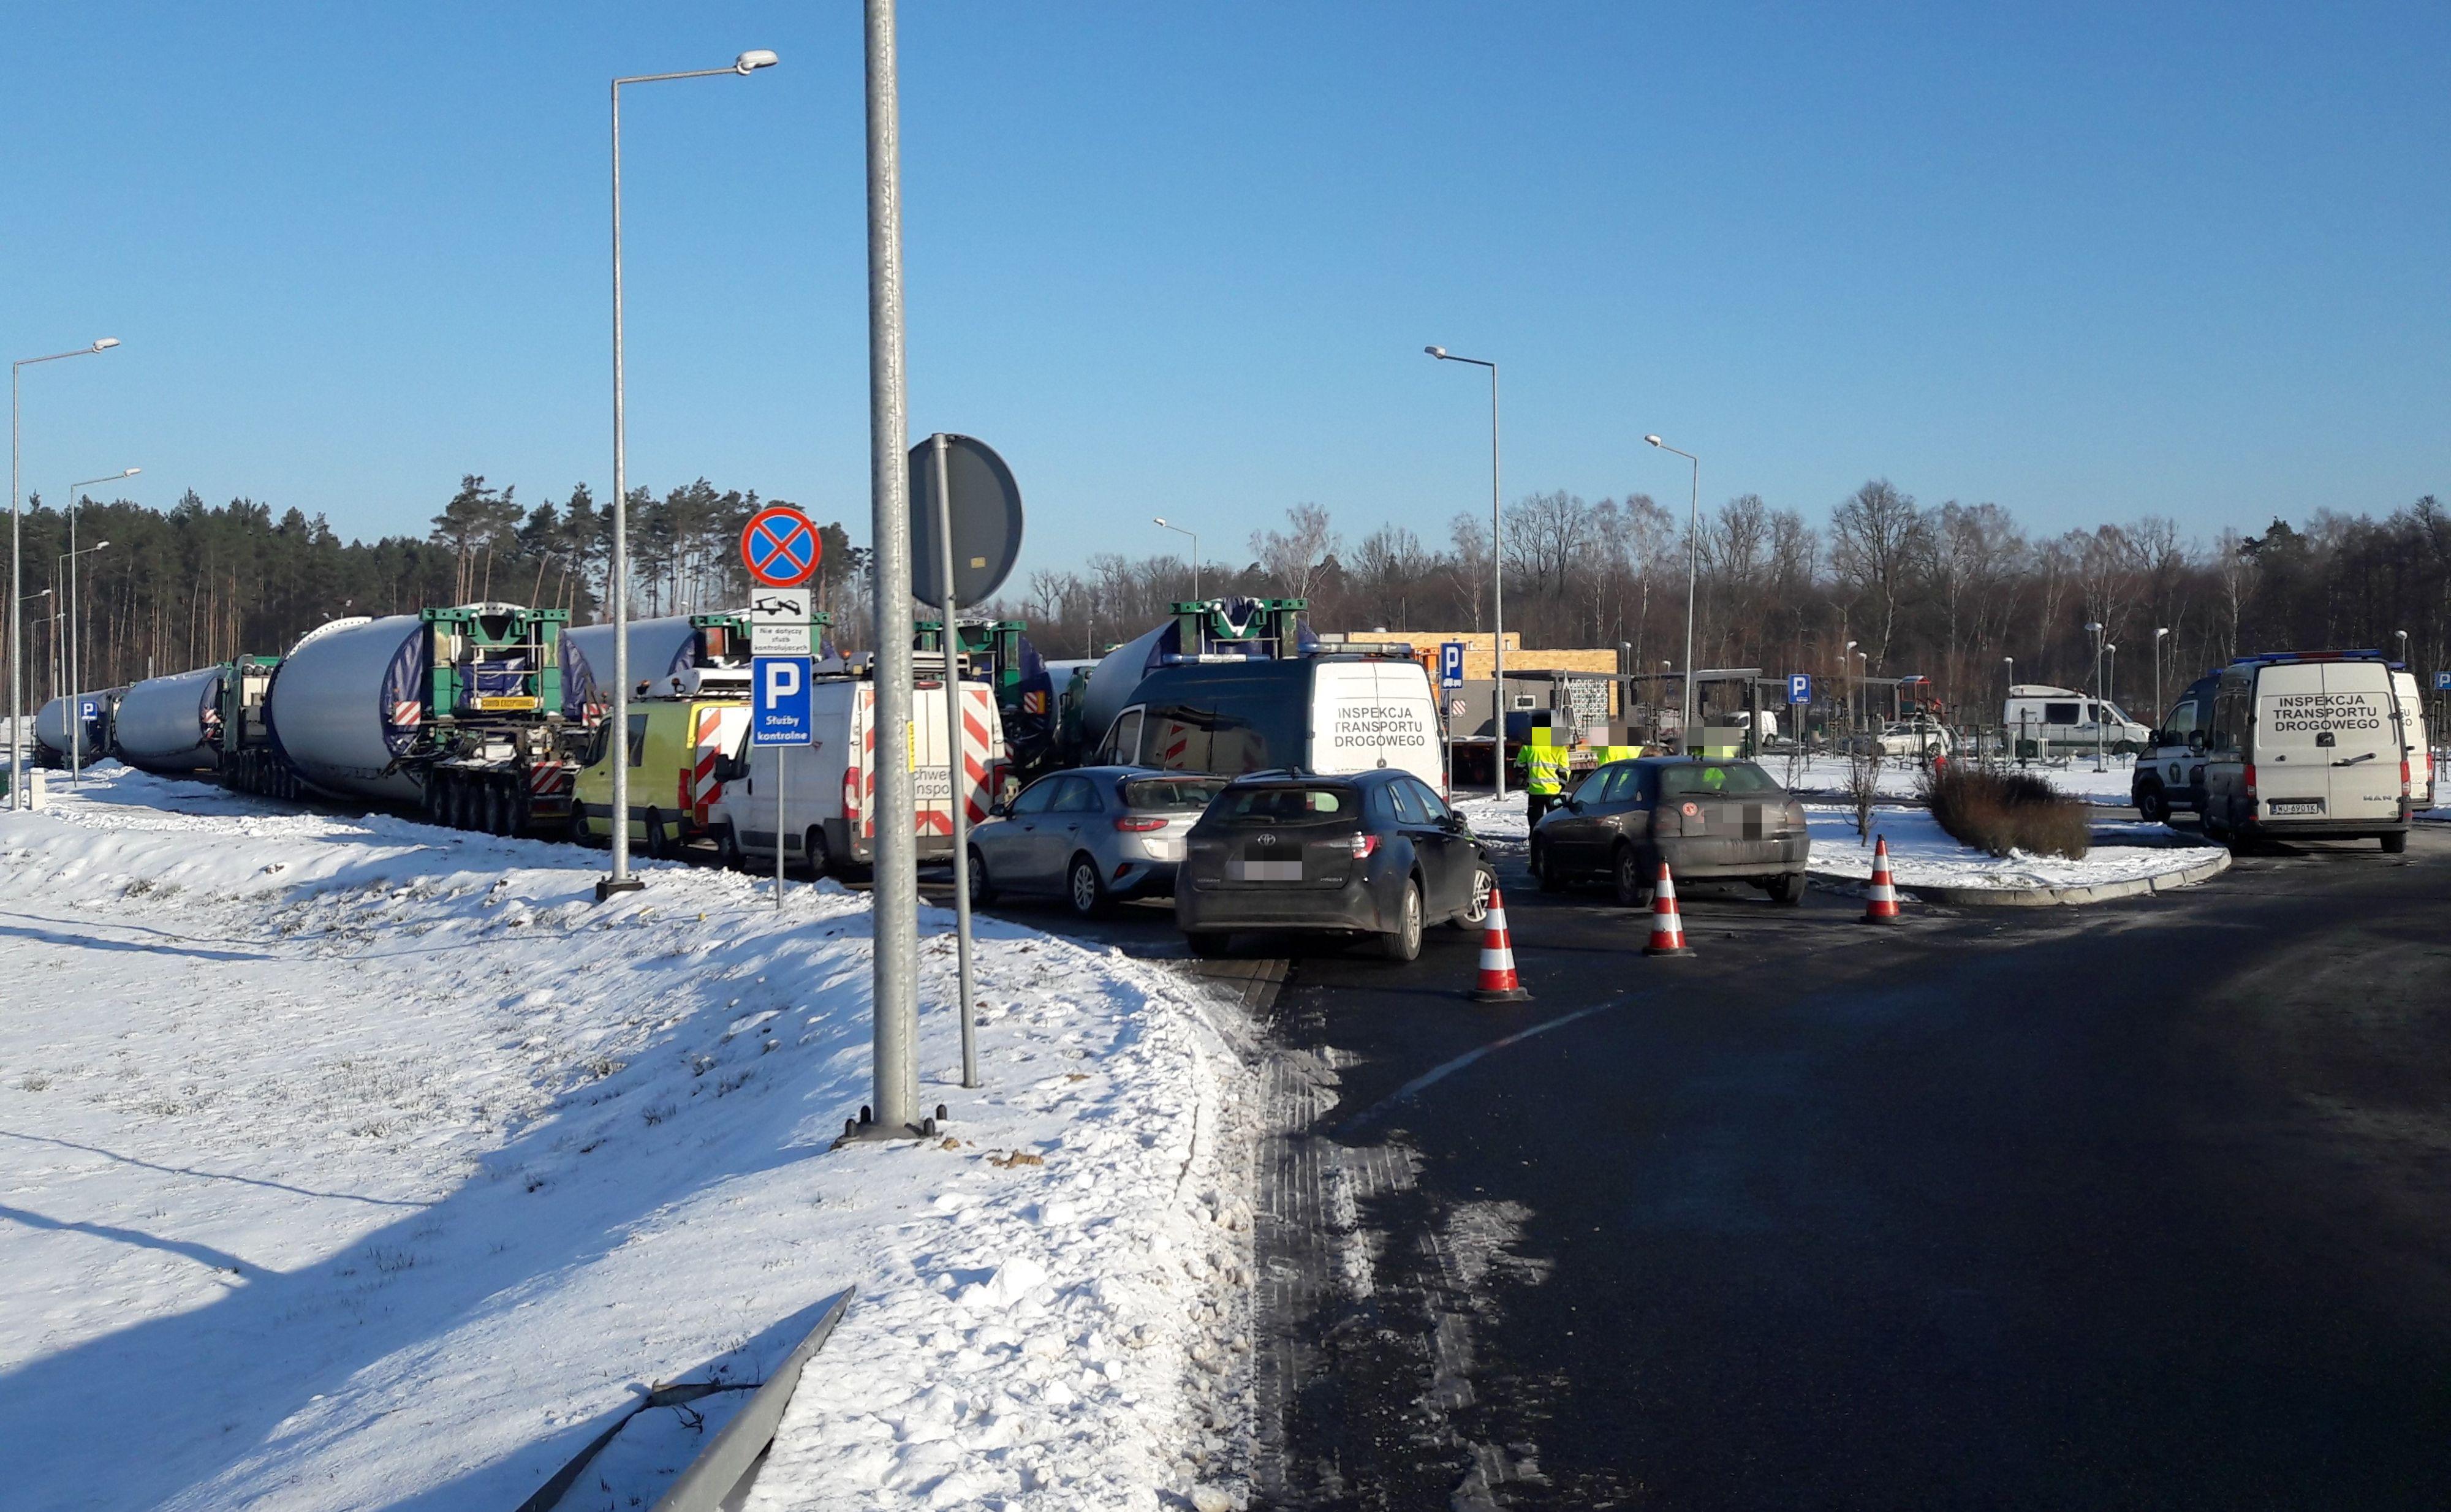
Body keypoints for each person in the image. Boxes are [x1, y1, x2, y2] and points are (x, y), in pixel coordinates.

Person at [1517, 736, 1570, 825]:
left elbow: (1519, 766)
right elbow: (1565, 771)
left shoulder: (1528, 747)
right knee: (1554, 821)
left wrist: (1525, 777)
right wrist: (1562, 785)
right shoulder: (1559, 748)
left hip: (1535, 791)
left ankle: (1534, 837)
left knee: (1535, 820)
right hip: (1554, 791)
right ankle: (1553, 838)